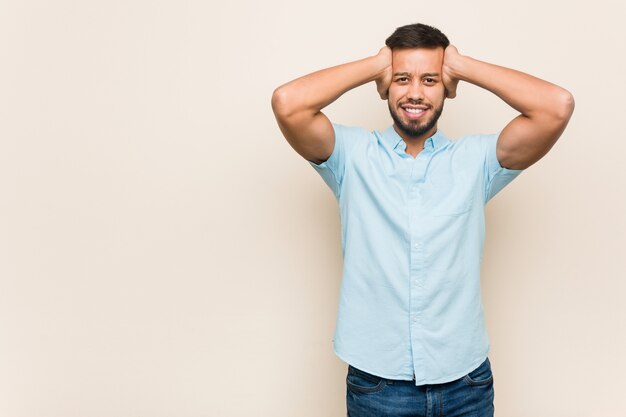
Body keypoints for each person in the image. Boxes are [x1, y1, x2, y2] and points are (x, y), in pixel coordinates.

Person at [271, 23, 574, 417]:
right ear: (384, 86)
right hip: (377, 386)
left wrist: (462, 65)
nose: (415, 92)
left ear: (448, 86)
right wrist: (376, 63)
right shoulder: (351, 155)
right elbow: (287, 102)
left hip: (467, 383)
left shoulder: (475, 161)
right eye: (402, 79)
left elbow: (557, 106)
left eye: (430, 79)